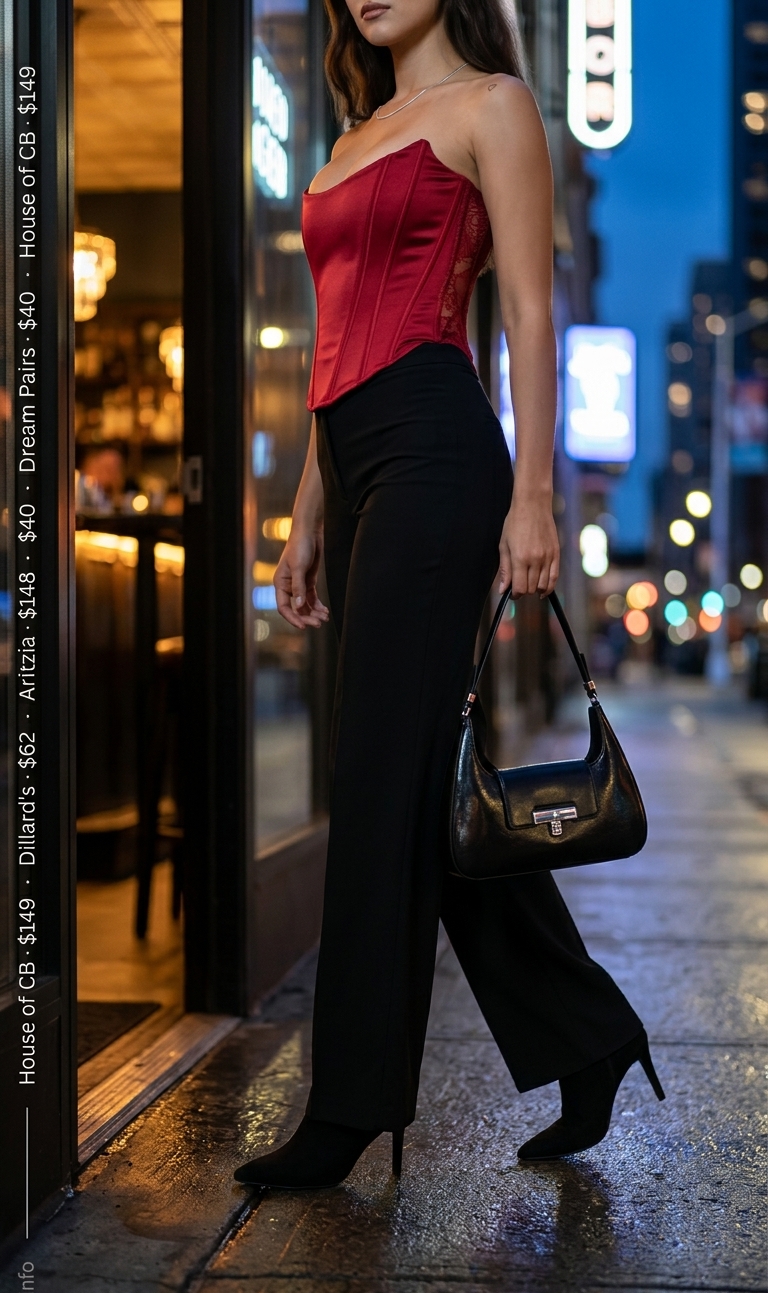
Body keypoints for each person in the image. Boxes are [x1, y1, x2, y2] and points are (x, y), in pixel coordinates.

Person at [234, 0, 664, 1189]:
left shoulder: (495, 106)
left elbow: (527, 314)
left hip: (438, 444)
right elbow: (326, 344)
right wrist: (306, 513)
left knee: (378, 774)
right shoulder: (350, 134)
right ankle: (589, 1034)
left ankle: (352, 1103)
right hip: (358, 454)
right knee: (417, 780)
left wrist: (539, 498)